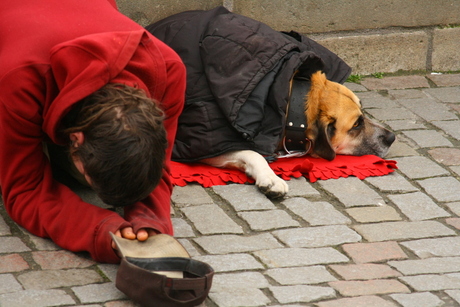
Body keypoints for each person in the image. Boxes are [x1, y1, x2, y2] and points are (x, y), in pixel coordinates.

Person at [0, 0, 185, 263]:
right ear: (75, 139)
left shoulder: (169, 69)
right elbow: (24, 189)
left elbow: (159, 167)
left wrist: (149, 219)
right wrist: (99, 231)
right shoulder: (21, 79)